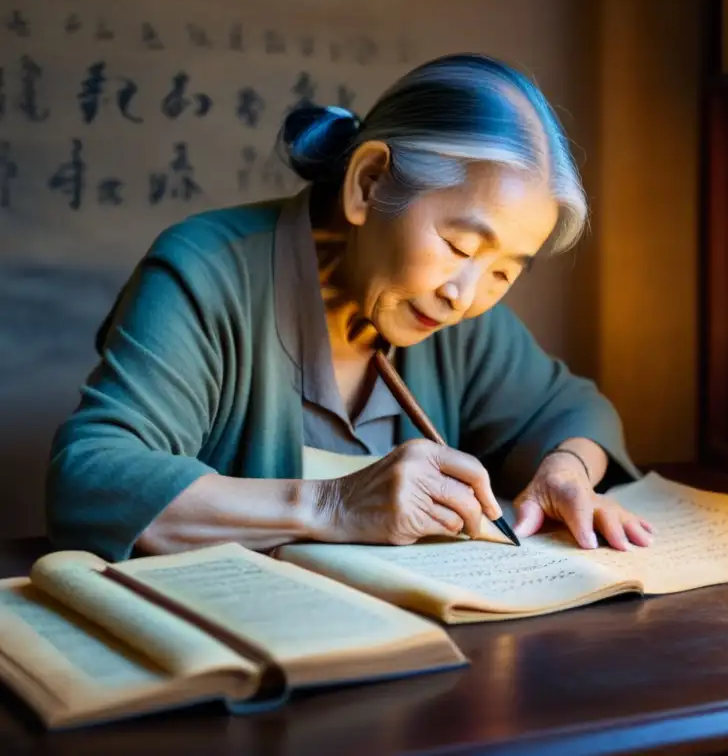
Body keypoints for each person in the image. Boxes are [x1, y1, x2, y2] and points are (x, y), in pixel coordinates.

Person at [46, 53, 654, 563]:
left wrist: (565, 469)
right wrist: (334, 505)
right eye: (458, 245)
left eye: (503, 270)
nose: (465, 294)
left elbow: (573, 407)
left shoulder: (450, 313)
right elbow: (90, 481)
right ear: (369, 183)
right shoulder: (206, 273)